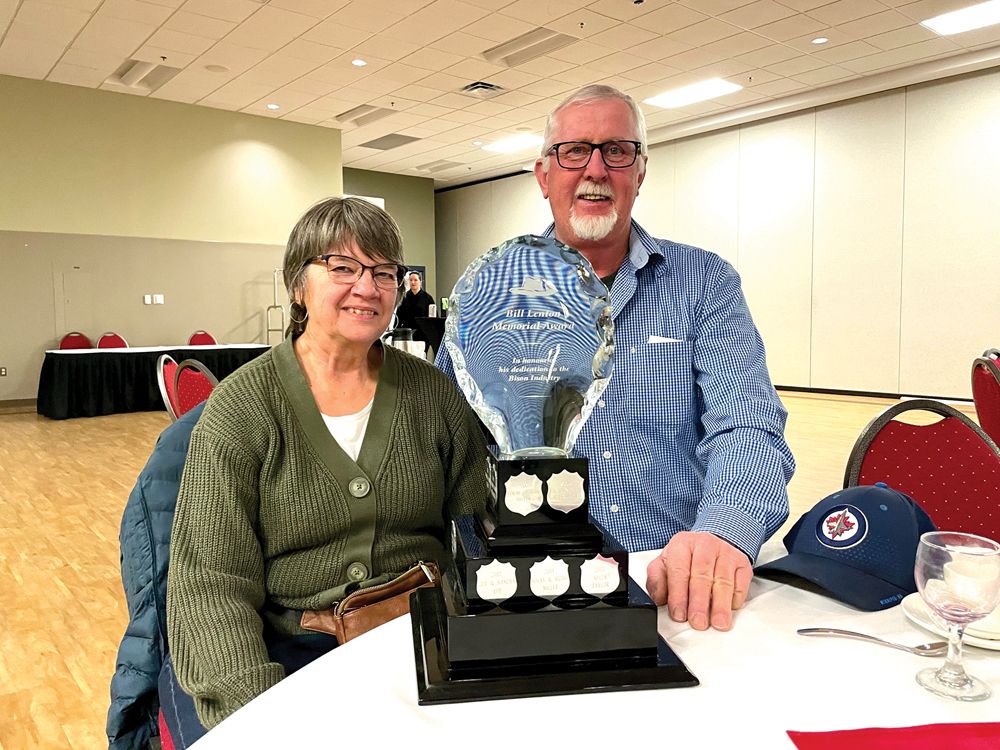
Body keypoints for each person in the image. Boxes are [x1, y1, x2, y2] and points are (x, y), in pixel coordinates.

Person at [436, 85, 794, 633]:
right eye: (574, 151)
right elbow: (443, 432)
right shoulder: (489, 290)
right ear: (543, 175)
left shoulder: (704, 283)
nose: (596, 169)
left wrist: (723, 531)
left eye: (617, 151)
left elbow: (746, 425)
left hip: (662, 586)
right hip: (517, 586)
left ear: (640, 170)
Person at [166, 197, 486, 740]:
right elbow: (210, 585)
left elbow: (479, 522)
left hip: (428, 639)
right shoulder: (244, 408)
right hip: (297, 655)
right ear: (297, 284)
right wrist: (259, 717)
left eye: (384, 272)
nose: (367, 287)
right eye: (342, 268)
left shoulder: (433, 394)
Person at [395, 271, 435, 341]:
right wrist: (396, 331)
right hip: (407, 333)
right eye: (411, 280)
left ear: (420, 282)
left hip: (423, 333)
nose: (413, 282)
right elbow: (399, 316)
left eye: (415, 280)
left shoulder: (427, 298)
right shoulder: (404, 297)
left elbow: (432, 318)